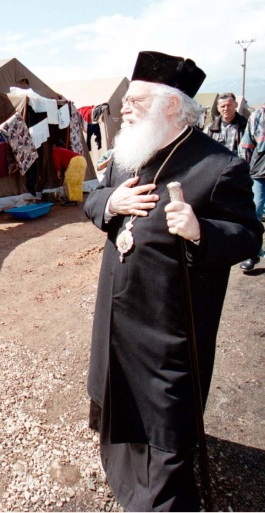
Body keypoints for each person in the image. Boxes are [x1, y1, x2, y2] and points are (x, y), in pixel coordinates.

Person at [84, 51, 263, 511]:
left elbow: (248, 234)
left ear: (170, 104)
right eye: (126, 100)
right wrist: (111, 203)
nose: (124, 107)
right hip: (117, 313)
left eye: (135, 101)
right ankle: (123, 477)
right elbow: (93, 200)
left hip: (168, 327)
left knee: (163, 414)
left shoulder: (219, 166)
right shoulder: (128, 153)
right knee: (119, 398)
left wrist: (202, 231)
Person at [238, 104, 265, 272]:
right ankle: (251, 253)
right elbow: (247, 145)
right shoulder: (258, 115)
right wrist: (244, 172)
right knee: (254, 213)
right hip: (259, 173)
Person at [51, 140, 85, 206]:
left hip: (75, 162)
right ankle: (75, 199)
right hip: (82, 160)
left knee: (68, 182)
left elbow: (57, 160)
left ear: (54, 145)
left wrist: (58, 171)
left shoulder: (56, 150)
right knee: (76, 182)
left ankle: (71, 200)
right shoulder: (64, 150)